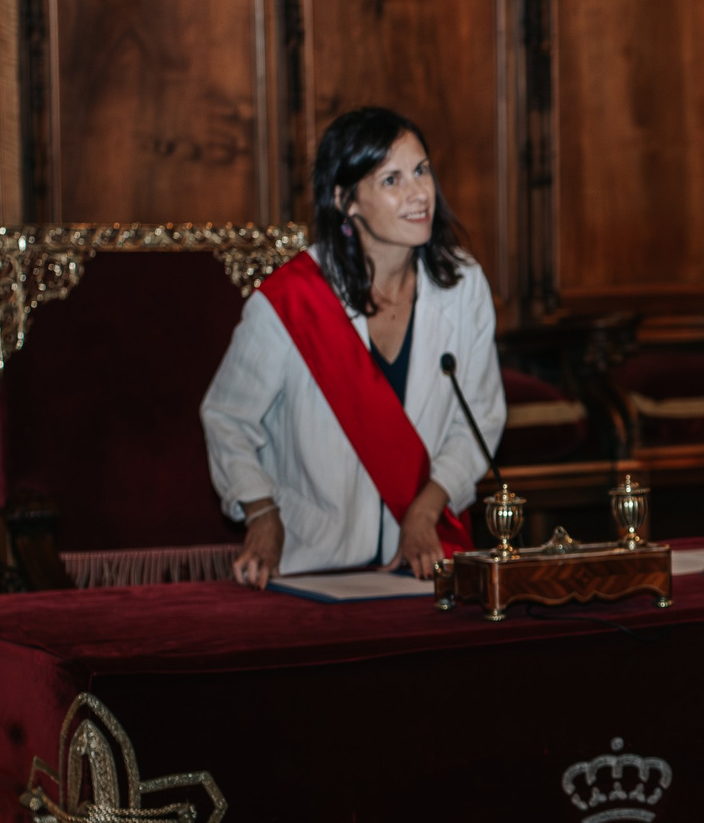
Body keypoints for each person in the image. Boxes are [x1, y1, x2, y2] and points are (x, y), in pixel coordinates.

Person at [202, 107, 507, 586]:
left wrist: (426, 511)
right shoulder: (293, 300)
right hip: (316, 568)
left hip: (427, 566)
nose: (418, 193)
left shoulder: (463, 285)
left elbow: (482, 418)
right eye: (391, 180)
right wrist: (261, 511)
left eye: (421, 171)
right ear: (346, 201)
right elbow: (227, 418)